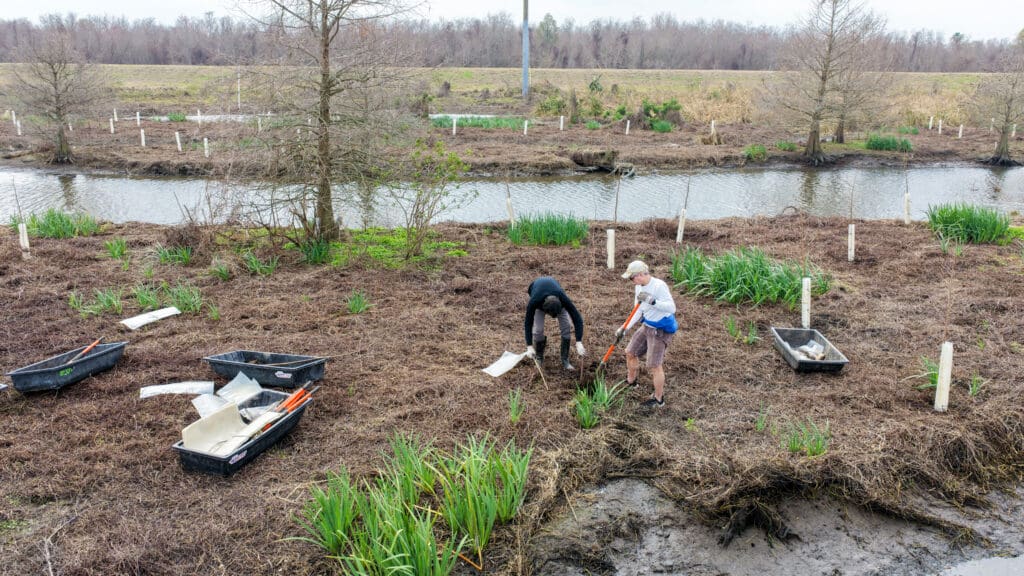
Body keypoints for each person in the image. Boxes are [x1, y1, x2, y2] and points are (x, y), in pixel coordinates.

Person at [616, 260, 677, 408]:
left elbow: (672, 308)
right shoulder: (639, 287)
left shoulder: (658, 286)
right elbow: (638, 310)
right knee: (630, 352)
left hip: (660, 329)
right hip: (647, 325)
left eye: (633, 278)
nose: (632, 281)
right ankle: (631, 382)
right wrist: (625, 328)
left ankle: (658, 399)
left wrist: (653, 302)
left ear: (642, 274)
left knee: (654, 365)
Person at [524, 276, 586, 370]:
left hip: (556, 297)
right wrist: (529, 346)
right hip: (539, 296)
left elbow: (577, 318)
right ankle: (539, 358)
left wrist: (578, 341)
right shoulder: (534, 301)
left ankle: (565, 360)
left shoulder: (563, 298)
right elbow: (528, 322)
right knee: (538, 330)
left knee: (566, 326)